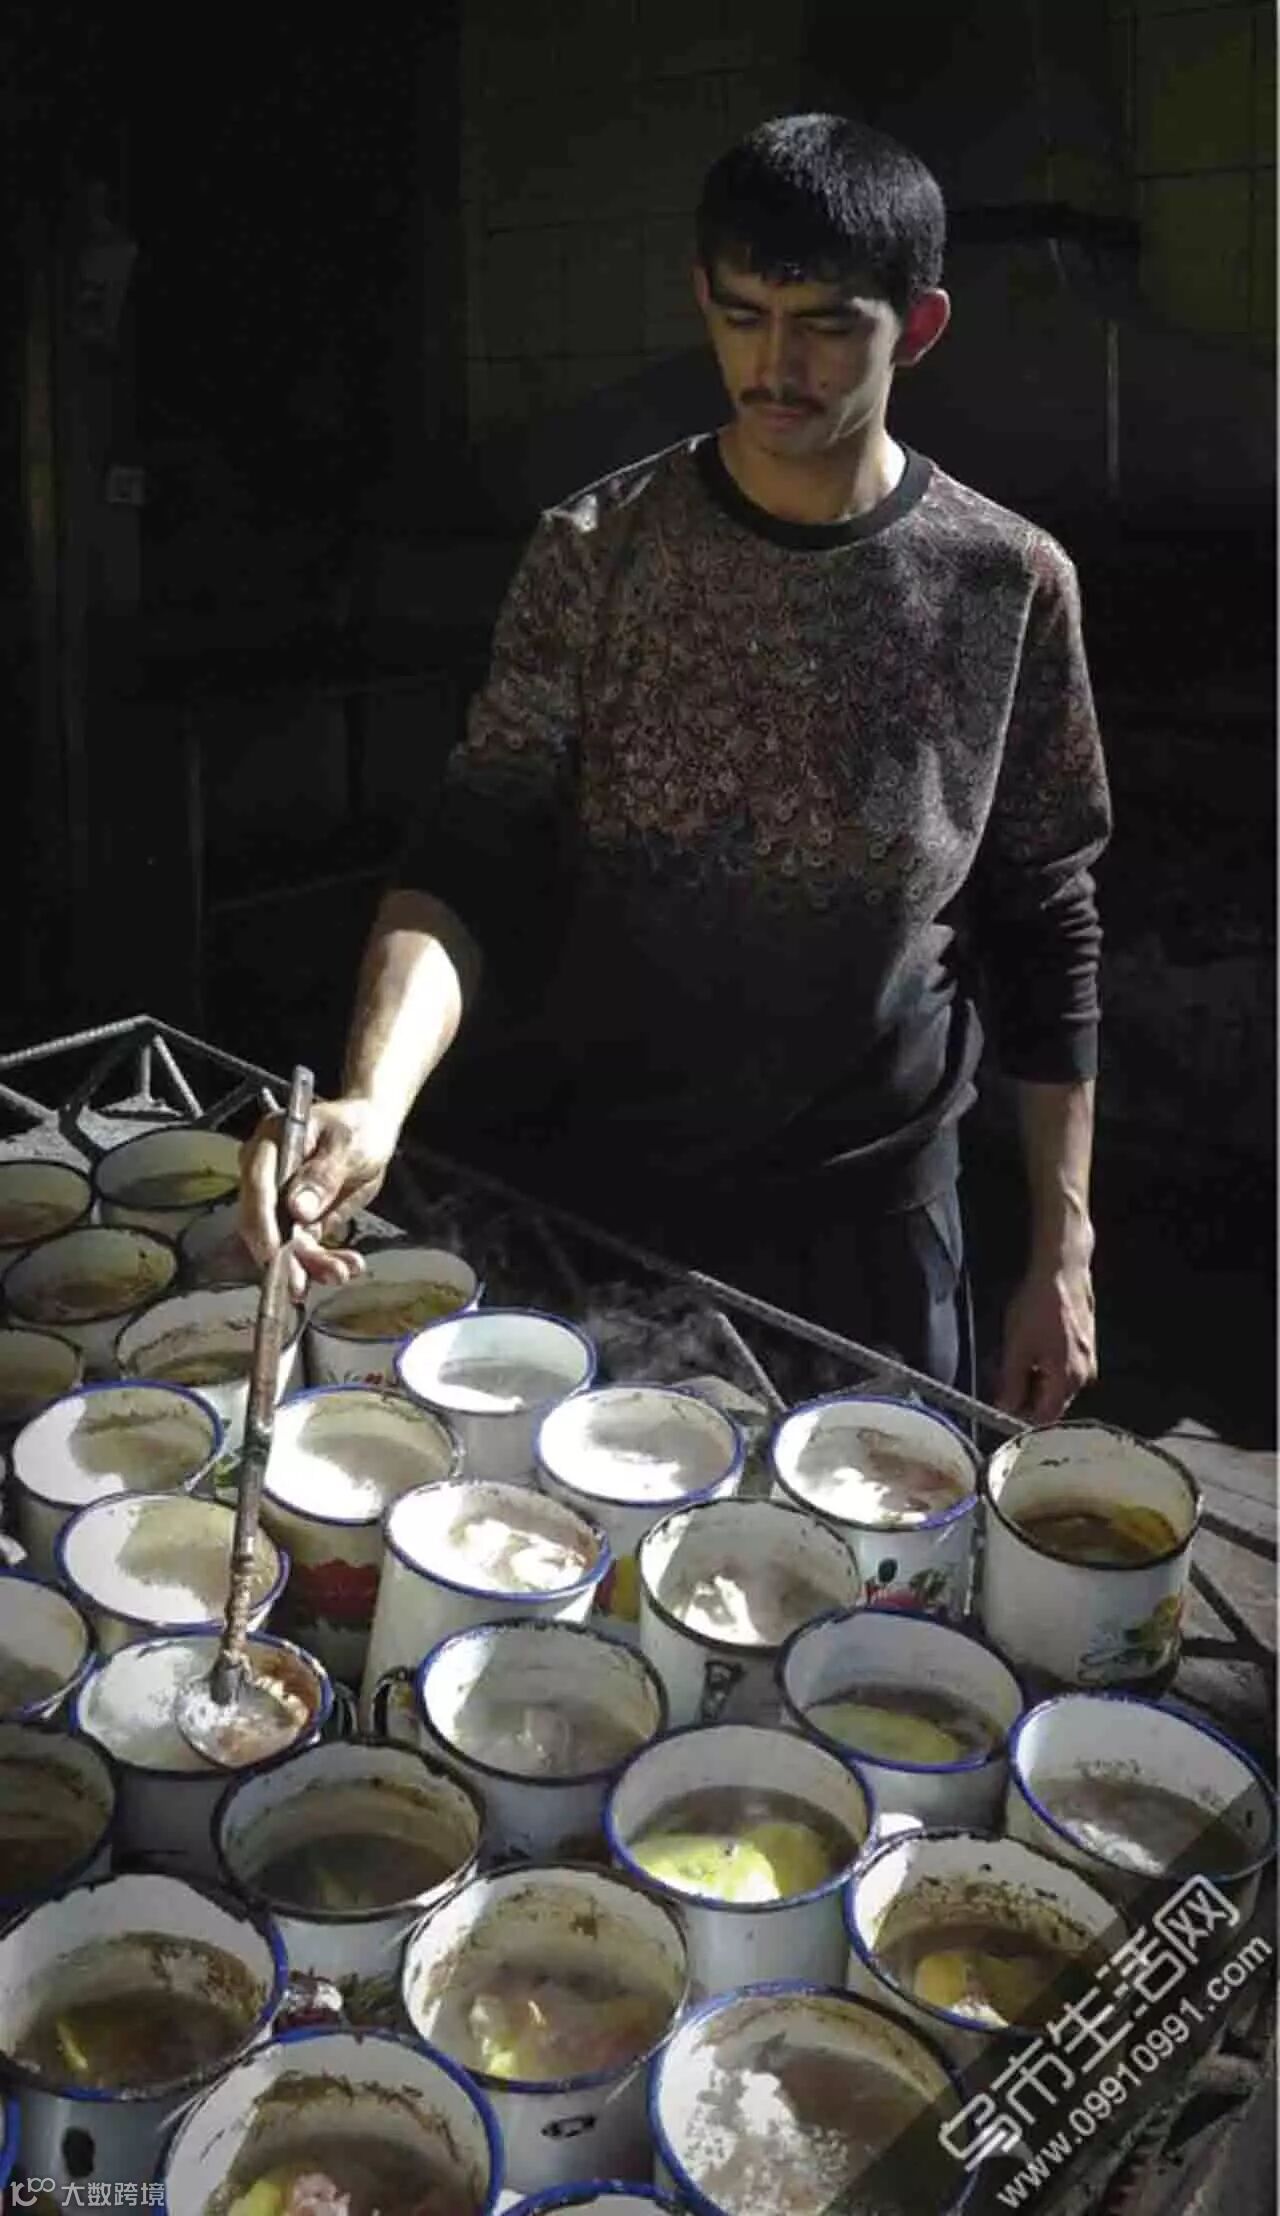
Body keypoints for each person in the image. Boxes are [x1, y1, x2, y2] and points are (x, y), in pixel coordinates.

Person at [241, 113, 1112, 1417]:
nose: (775, 365)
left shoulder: (1008, 584)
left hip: (871, 1221)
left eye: (825, 325)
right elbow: (473, 852)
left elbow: (1047, 923)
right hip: (607, 1190)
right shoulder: (596, 551)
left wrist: (1063, 1252)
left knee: (877, 1535)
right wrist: (371, 1101)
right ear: (703, 297)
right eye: (743, 315)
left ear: (917, 328)